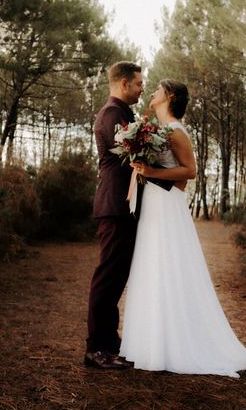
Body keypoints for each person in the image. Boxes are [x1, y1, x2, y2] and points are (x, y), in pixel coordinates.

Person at [119, 79, 246, 378]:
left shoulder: (176, 130)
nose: (151, 92)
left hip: (168, 206)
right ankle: (152, 344)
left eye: (158, 90)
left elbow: (189, 171)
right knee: (154, 268)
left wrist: (149, 171)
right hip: (153, 204)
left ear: (170, 97)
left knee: (168, 267)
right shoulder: (154, 130)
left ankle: (175, 345)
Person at [84, 61, 145, 370]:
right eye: (138, 83)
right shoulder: (111, 115)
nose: (142, 88)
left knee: (116, 276)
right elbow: (130, 155)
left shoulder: (124, 113)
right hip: (114, 206)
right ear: (123, 83)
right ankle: (95, 348)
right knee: (107, 277)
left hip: (124, 207)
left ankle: (110, 340)